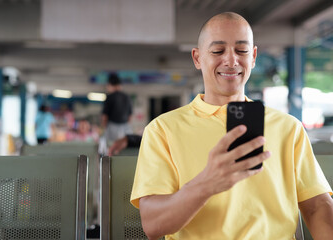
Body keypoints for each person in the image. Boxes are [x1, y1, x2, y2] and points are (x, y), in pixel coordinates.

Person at [130, 12, 333, 239]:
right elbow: (153, 225)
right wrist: (207, 183)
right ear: (197, 58)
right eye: (218, 51)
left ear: (253, 56)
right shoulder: (162, 130)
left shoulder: (288, 128)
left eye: (242, 50)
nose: (231, 60)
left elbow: (317, 206)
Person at [101, 73, 133, 145]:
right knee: (125, 148)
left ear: (110, 85)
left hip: (112, 127)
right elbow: (130, 116)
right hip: (126, 128)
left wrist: (104, 128)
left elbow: (104, 116)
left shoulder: (110, 97)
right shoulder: (127, 97)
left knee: (110, 148)